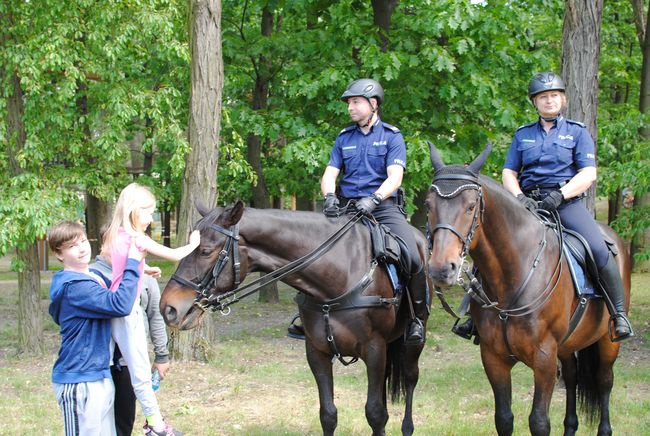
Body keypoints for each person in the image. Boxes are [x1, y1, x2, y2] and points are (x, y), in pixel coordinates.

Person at [453, 71, 634, 342]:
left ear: (562, 99)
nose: (549, 101)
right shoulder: (522, 135)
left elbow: (588, 174)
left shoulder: (577, 132)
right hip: (527, 204)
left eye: (554, 96)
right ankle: (474, 319)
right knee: (492, 248)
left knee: (598, 248)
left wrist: (560, 195)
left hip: (565, 204)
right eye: (543, 97)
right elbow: (509, 171)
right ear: (535, 103)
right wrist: (518, 196)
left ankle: (618, 314)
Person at [301, 78, 429, 345]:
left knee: (413, 255)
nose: (350, 107)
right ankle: (305, 316)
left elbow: (395, 176)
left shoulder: (392, 136)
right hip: (347, 209)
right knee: (311, 251)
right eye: (349, 103)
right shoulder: (343, 137)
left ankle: (417, 318)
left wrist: (375, 198)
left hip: (382, 208)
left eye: (356, 102)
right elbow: (330, 173)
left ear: (373, 104)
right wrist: (328, 197)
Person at [103, 182, 201, 436]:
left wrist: (143, 269)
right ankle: (155, 424)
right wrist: (193, 242)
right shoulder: (138, 238)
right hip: (128, 312)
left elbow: (119, 265)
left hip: (111, 310)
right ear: (134, 211)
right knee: (139, 371)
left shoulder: (118, 234)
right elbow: (176, 254)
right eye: (148, 212)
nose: (150, 218)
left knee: (110, 367)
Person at [48, 220, 143, 435]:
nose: (82, 248)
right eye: (72, 245)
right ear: (59, 254)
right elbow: (120, 304)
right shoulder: (75, 286)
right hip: (79, 379)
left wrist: (143, 272)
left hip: (101, 373)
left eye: (82, 241)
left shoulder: (92, 277)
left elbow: (119, 291)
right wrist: (133, 262)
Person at [91, 247, 170, 436]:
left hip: (130, 362)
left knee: (124, 421)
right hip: (99, 362)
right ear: (104, 245)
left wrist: (162, 355)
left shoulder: (145, 276)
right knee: (98, 422)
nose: (121, 251)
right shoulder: (91, 276)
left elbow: (155, 316)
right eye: (116, 246)